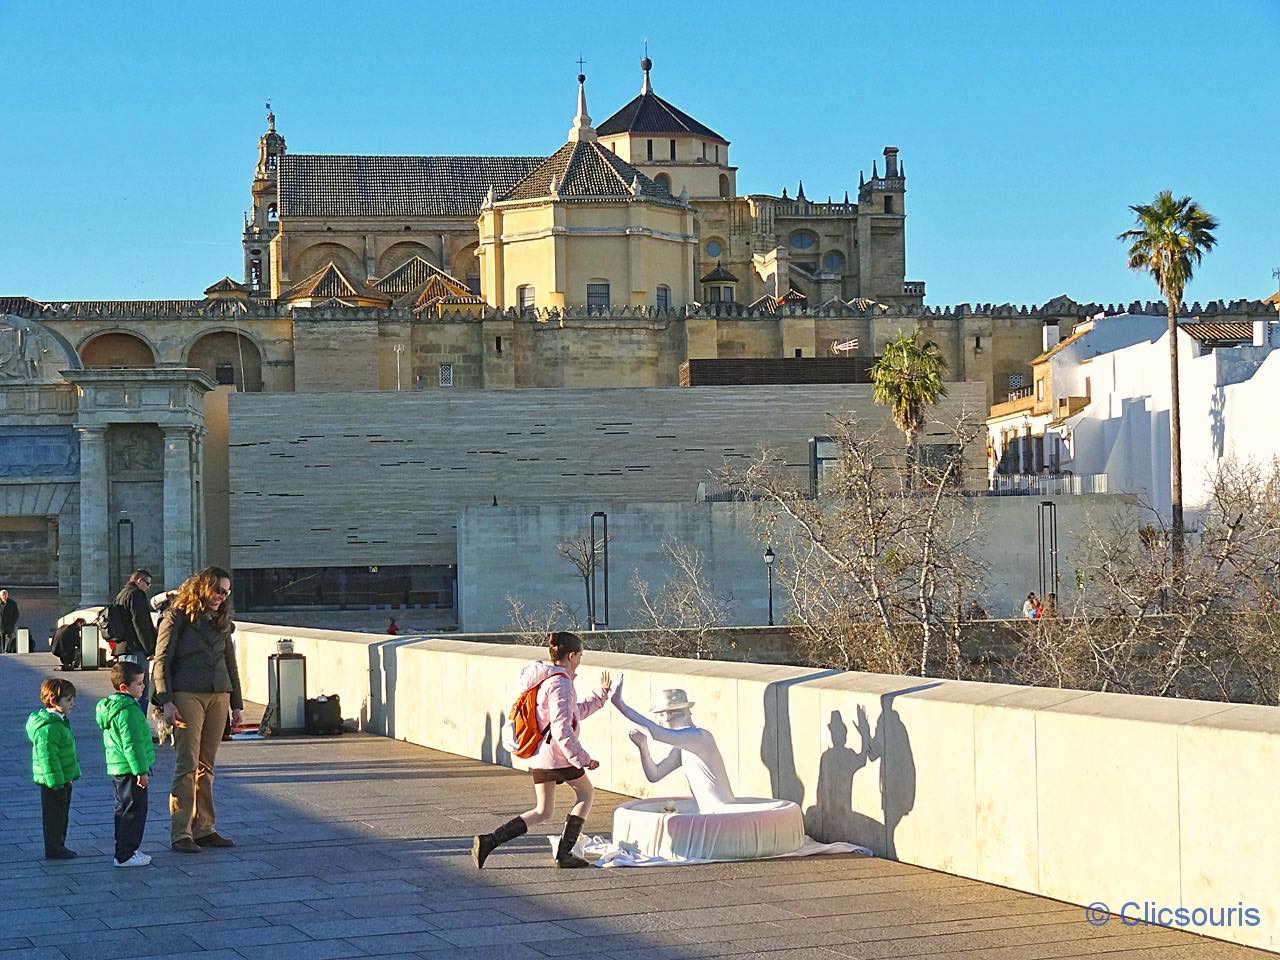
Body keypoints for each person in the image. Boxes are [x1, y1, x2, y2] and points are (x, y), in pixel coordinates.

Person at [472, 631, 610, 870]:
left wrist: (600, 696)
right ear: (572, 655)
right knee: (586, 794)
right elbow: (562, 728)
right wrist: (583, 759)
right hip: (558, 755)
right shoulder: (562, 684)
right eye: (580, 655)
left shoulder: (546, 680)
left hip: (540, 755)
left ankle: (489, 841)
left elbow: (572, 713)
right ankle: (564, 854)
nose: (580, 660)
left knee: (543, 811)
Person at [152, 566, 244, 853]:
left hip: (219, 693)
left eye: (226, 592)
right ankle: (181, 832)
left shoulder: (221, 619)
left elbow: (230, 662)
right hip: (187, 693)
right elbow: (162, 660)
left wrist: (237, 704)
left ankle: (205, 828)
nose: (221, 597)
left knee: (207, 765)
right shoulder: (176, 615)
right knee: (187, 764)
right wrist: (166, 700)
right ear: (203, 587)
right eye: (217, 590)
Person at [609, 679, 735, 810]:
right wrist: (643, 746)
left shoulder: (699, 737)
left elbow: (657, 733)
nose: (657, 721)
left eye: (658, 716)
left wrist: (621, 706)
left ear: (667, 715)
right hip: (709, 813)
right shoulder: (685, 746)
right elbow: (655, 775)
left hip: (721, 813)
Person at [96, 661, 156, 867]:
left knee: (123, 808)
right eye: (139, 683)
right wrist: (141, 771)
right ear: (124, 687)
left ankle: (124, 849)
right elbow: (133, 744)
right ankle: (126, 853)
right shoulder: (128, 710)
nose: (143, 687)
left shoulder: (112, 707)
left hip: (118, 767)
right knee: (134, 810)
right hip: (131, 769)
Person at [26, 677, 80, 859]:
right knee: (54, 815)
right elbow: (47, 757)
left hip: (62, 777)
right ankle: (55, 847)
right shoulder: (49, 728)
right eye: (68, 700)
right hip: (54, 781)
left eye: (73, 699)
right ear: (53, 701)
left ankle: (59, 845)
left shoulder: (60, 721)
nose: (72, 703)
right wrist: (55, 781)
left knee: (61, 814)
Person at [111, 570, 157, 711]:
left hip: (123, 648)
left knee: (126, 691)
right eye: (147, 583)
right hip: (136, 649)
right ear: (139, 580)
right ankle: (138, 727)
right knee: (139, 692)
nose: (148, 587)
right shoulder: (136, 594)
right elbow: (141, 624)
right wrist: (150, 649)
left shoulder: (121, 594)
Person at [1, 588, 19, 653]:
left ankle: (6, 650)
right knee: (1, 637)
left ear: (7, 595)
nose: (4, 596)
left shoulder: (12, 603)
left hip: (9, 624)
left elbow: (16, 613)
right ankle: (3, 650)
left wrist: (13, 622)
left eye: (5, 594)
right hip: (1, 624)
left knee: (8, 637)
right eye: (3, 595)